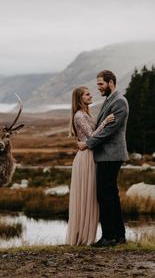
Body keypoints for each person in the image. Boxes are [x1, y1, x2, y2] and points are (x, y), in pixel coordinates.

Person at [77, 70, 129, 247]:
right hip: (106, 155)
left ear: (111, 83)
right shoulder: (109, 100)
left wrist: (88, 144)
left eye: (101, 84)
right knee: (110, 194)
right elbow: (102, 126)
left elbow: (108, 131)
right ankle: (119, 235)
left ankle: (109, 236)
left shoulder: (120, 102)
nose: (98, 87)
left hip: (111, 155)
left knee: (105, 195)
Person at [66, 86, 115, 246]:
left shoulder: (86, 113)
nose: (90, 96)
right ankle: (82, 237)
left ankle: (89, 235)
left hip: (90, 154)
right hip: (85, 158)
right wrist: (106, 122)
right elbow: (92, 136)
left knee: (91, 197)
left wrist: (86, 143)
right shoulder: (79, 115)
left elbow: (89, 138)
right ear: (80, 98)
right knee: (86, 196)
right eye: (87, 94)